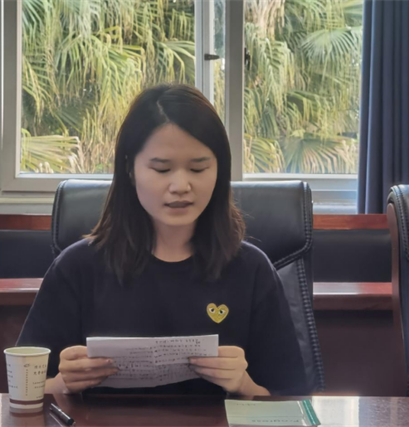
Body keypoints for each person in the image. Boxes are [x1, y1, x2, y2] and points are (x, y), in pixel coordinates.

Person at [17, 84, 307, 396]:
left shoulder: (251, 270)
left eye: (198, 168)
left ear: (219, 171)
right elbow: (22, 390)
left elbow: (291, 399)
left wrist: (244, 385)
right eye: (162, 169)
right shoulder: (77, 268)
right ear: (130, 169)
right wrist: (63, 384)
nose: (180, 185)